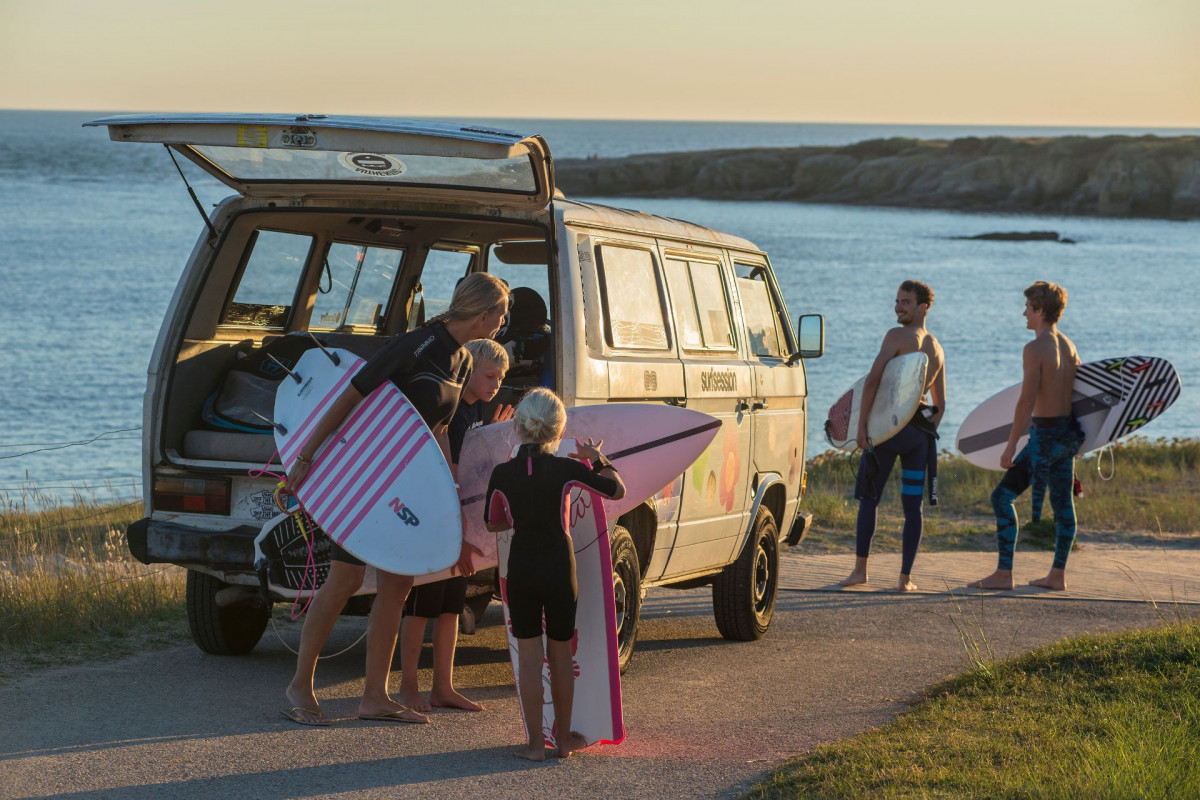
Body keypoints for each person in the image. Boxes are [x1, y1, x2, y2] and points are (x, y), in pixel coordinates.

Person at [281, 273, 510, 727]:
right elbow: (352, 393)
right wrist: (307, 455)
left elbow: (439, 429)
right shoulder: (416, 345)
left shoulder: (463, 361)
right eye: (501, 314)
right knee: (344, 580)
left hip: (410, 484)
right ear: (484, 314)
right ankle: (300, 684)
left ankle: (374, 696)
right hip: (365, 477)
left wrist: (448, 485)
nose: (503, 324)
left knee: (398, 586)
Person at [484, 388, 626, 761]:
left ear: (517, 426)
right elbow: (615, 489)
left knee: (530, 657)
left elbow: (492, 522)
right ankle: (563, 741)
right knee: (560, 653)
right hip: (559, 568)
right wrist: (596, 458)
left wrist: (516, 517)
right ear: (557, 431)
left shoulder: (503, 473)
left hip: (523, 567)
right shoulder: (568, 468)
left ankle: (534, 745)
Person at [398, 338, 513, 714]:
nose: (496, 383)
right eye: (490, 375)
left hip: (461, 520)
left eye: (501, 377)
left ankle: (443, 687)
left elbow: (473, 465)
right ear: (468, 372)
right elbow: (445, 472)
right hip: (437, 519)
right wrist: (461, 537)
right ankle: (408, 686)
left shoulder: (479, 410)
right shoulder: (451, 414)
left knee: (450, 606)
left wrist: (492, 437)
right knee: (420, 606)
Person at [969, 281, 1083, 592]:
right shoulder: (1069, 345)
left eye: (1028, 309)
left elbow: (1027, 401)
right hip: (1067, 435)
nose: (1024, 314)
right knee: (1062, 507)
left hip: (1044, 438)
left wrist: (1010, 446)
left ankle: (1004, 574)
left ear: (1041, 310)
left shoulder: (1035, 349)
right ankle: (1057, 575)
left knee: (1002, 497)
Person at [839, 280, 946, 593]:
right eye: (897, 301)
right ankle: (905, 580)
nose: (898, 307)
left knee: (869, 499)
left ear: (923, 307)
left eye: (906, 302)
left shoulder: (897, 336)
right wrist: (927, 433)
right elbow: (940, 403)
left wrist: (861, 428)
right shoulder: (936, 347)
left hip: (886, 432)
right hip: (918, 436)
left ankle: (860, 571)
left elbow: (873, 381)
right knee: (913, 507)